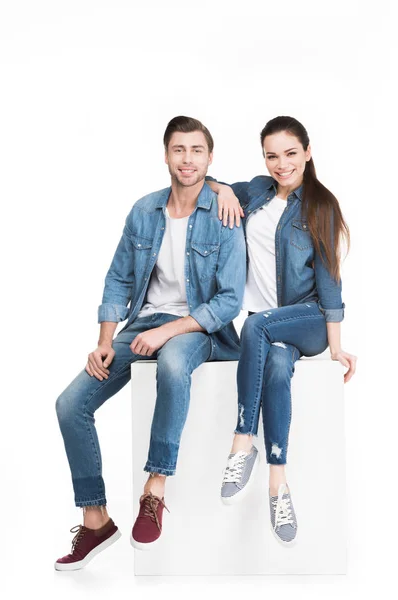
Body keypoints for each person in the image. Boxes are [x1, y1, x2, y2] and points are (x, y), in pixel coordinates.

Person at [54, 116, 246, 570]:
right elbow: (118, 278)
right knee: (69, 405)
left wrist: (167, 331)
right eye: (179, 149)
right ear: (165, 154)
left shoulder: (224, 213)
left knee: (173, 365)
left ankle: (154, 490)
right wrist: (105, 338)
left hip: (201, 328)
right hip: (142, 325)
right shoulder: (144, 211)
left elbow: (229, 300)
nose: (187, 159)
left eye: (197, 150)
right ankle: (96, 518)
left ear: (209, 158)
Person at [207, 116, 357, 546]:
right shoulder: (255, 190)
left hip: (305, 319)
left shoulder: (320, 206)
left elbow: (330, 281)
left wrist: (337, 349)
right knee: (274, 364)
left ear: (307, 153)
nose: (281, 163)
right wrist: (221, 190)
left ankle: (241, 440)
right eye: (272, 155)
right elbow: (210, 182)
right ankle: (278, 482)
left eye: (290, 153)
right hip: (268, 333)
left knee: (256, 323)